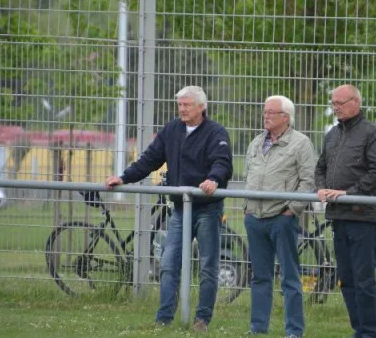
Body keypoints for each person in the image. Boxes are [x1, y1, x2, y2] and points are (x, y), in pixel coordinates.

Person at [105, 86, 233, 332]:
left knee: (208, 266)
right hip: (180, 208)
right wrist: (123, 177)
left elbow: (222, 162)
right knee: (168, 262)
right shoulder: (172, 130)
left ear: (201, 107)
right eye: (180, 105)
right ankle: (164, 319)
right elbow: (150, 159)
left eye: (187, 105)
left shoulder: (216, 132)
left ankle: (202, 319)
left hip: (208, 208)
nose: (182, 109)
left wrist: (213, 179)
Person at [315, 84, 376, 338]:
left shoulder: (372, 133)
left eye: (340, 103)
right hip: (338, 217)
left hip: (362, 217)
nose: (335, 107)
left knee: (363, 279)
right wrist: (321, 187)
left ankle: (369, 332)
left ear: (356, 103)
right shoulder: (332, 135)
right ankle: (358, 329)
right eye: (333, 103)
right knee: (346, 279)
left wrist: (351, 192)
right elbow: (320, 168)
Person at [243, 95, 316, 338]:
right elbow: (248, 175)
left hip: (281, 219)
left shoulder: (301, 143)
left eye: (271, 112)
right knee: (260, 277)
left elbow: (307, 181)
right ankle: (257, 328)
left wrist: (290, 211)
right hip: (254, 218)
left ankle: (294, 331)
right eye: (265, 112)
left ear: (286, 117)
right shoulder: (256, 142)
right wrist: (247, 208)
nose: (266, 116)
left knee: (289, 277)